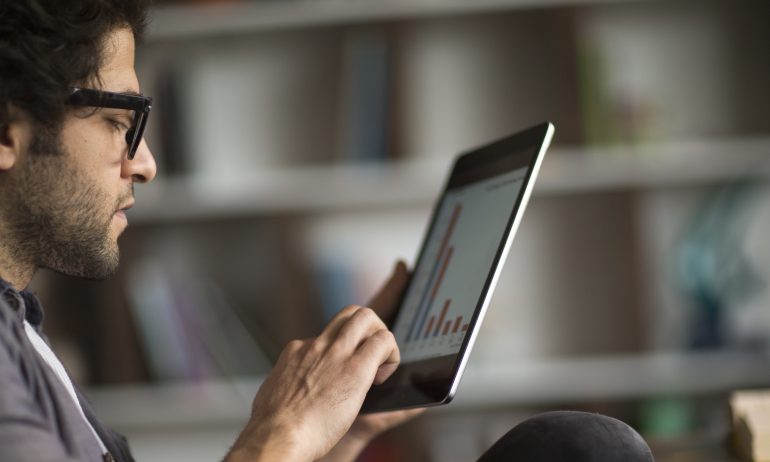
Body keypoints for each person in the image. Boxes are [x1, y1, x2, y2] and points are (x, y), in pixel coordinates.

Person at [0, 1, 655, 461]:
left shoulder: (20, 328)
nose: (144, 163)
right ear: (7, 130)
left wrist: (337, 434)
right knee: (589, 449)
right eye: (119, 122)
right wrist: (279, 433)